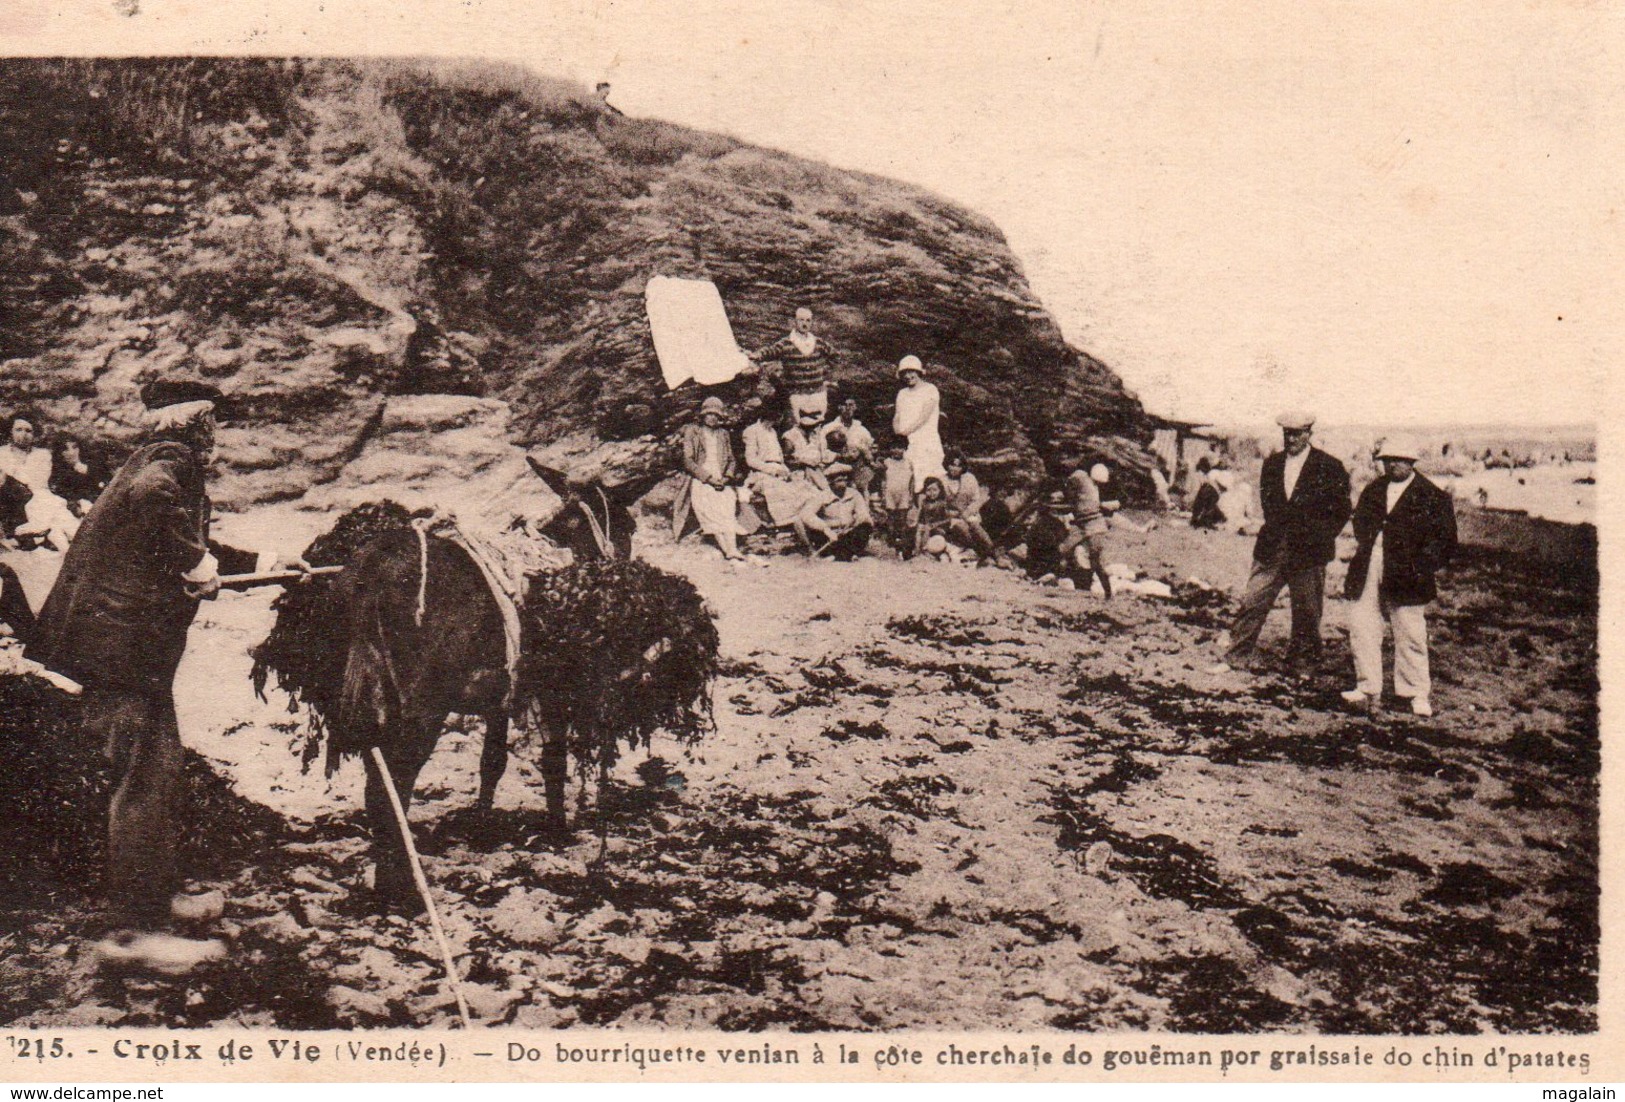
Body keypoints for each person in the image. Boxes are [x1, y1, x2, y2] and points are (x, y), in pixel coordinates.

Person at [27, 379, 307, 974]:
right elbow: (160, 509)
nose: (217, 437)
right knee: (144, 778)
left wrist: (263, 565)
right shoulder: (169, 463)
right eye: (213, 424)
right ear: (195, 424)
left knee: (159, 767)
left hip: (123, 652)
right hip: (119, 653)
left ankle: (156, 900)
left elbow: (177, 535)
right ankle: (137, 932)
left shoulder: (147, 460)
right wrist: (196, 562)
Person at [1210, 411, 1351, 675]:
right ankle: (1236, 656)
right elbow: (1269, 503)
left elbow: (1341, 509)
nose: (1292, 439)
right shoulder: (1272, 464)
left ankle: (1302, 664)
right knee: (1253, 600)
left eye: (1297, 433)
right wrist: (1278, 530)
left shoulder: (1330, 466)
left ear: (1309, 434)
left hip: (1309, 551)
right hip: (1273, 546)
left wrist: (1319, 537)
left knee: (1307, 610)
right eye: (1287, 433)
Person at [1340, 436, 1458, 717]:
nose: (1394, 465)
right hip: (1370, 563)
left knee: (1410, 631)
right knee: (1363, 624)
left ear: (1412, 462)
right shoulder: (1374, 489)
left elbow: (1445, 541)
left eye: (1401, 460)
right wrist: (1371, 543)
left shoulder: (1432, 495)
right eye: (1388, 460)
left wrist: (1419, 565)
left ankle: (1416, 692)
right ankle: (1367, 685)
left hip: (1408, 573)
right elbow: (1360, 522)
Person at [678, 397, 748, 563]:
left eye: (716, 415)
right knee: (708, 507)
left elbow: (731, 459)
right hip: (701, 477)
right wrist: (708, 478)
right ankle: (728, 550)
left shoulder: (723, 434)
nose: (712, 418)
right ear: (703, 416)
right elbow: (688, 461)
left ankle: (732, 549)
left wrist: (726, 478)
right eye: (709, 414)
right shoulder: (693, 432)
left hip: (720, 477)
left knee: (727, 506)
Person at [751, 307, 841, 429]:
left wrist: (823, 372)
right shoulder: (786, 343)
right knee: (796, 430)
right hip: (796, 396)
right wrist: (757, 355)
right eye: (801, 320)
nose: (805, 324)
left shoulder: (818, 342)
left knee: (817, 427)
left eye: (808, 320)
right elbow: (770, 351)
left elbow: (835, 356)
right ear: (795, 322)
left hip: (818, 395)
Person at [0, 411, 81, 546]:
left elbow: (39, 482)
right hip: (12, 502)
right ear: (11, 431)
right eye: (18, 430)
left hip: (39, 497)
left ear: (34, 434)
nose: (23, 435)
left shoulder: (42, 455)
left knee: (61, 519)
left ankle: (73, 539)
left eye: (28, 431)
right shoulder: (2, 453)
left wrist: (12, 475)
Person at [741, 400, 814, 544]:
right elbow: (751, 460)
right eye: (779, 415)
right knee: (778, 489)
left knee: (803, 485)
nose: (780, 419)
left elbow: (779, 458)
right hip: (761, 473)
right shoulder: (751, 431)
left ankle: (805, 523)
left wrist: (785, 470)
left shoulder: (772, 431)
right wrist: (773, 470)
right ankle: (783, 526)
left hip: (779, 470)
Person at [798, 463, 874, 561]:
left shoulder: (854, 494)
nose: (843, 480)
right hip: (828, 536)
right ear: (830, 481)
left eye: (845, 477)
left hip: (847, 535)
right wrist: (825, 529)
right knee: (806, 527)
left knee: (865, 527)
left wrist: (857, 521)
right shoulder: (822, 496)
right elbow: (806, 514)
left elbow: (863, 514)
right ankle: (846, 555)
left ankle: (836, 556)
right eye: (839, 479)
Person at [1059, 463, 1113, 598]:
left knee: (1092, 560)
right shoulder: (1091, 486)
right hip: (1088, 525)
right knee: (1093, 561)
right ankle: (1105, 592)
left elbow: (1072, 497)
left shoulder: (1082, 478)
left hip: (1090, 524)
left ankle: (1105, 592)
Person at [892, 355, 944, 492]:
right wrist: (898, 434)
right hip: (906, 442)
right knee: (907, 480)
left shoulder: (930, 390)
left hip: (925, 440)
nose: (908, 376)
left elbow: (924, 417)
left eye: (911, 371)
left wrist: (905, 432)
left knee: (927, 480)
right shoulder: (902, 393)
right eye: (904, 373)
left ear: (919, 372)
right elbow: (897, 415)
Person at [941, 452, 999, 563]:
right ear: (947, 465)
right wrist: (950, 513)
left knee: (975, 526)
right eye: (952, 465)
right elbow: (939, 503)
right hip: (951, 516)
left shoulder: (970, 478)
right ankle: (981, 553)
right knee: (962, 528)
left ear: (962, 467)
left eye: (958, 465)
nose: (955, 468)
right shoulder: (942, 480)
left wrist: (967, 512)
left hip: (968, 513)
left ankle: (994, 553)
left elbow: (976, 499)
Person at [819, 398, 876, 493]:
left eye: (851, 405)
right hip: (836, 468)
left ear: (855, 407)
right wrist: (839, 456)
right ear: (839, 407)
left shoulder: (862, 430)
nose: (848, 408)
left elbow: (870, 451)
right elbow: (822, 452)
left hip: (858, 470)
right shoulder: (828, 428)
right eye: (844, 405)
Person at [49, 434, 109, 517]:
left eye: (75, 447)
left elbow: (106, 483)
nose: (72, 453)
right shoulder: (58, 474)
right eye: (65, 449)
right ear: (59, 453)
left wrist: (85, 470)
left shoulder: (94, 466)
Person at [877, 436, 916, 554]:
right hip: (890, 492)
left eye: (900, 447)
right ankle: (891, 541)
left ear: (905, 448)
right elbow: (883, 480)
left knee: (903, 519)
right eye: (893, 447)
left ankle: (902, 543)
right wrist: (883, 495)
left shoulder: (909, 462)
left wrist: (911, 496)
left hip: (904, 493)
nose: (896, 450)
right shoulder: (887, 462)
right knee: (891, 518)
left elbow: (912, 481)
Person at [781, 416, 834, 494]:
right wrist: (803, 463)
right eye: (814, 426)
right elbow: (786, 461)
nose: (816, 428)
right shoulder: (790, 436)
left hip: (817, 473)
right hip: (799, 475)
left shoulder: (813, 436)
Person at [911, 476, 955, 561]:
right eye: (928, 490)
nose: (932, 493)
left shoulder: (942, 503)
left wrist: (935, 524)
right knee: (919, 529)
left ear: (940, 490)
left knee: (927, 528)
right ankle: (918, 550)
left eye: (935, 490)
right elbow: (922, 517)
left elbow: (948, 519)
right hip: (928, 527)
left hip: (940, 529)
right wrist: (919, 524)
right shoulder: (924, 502)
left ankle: (924, 550)